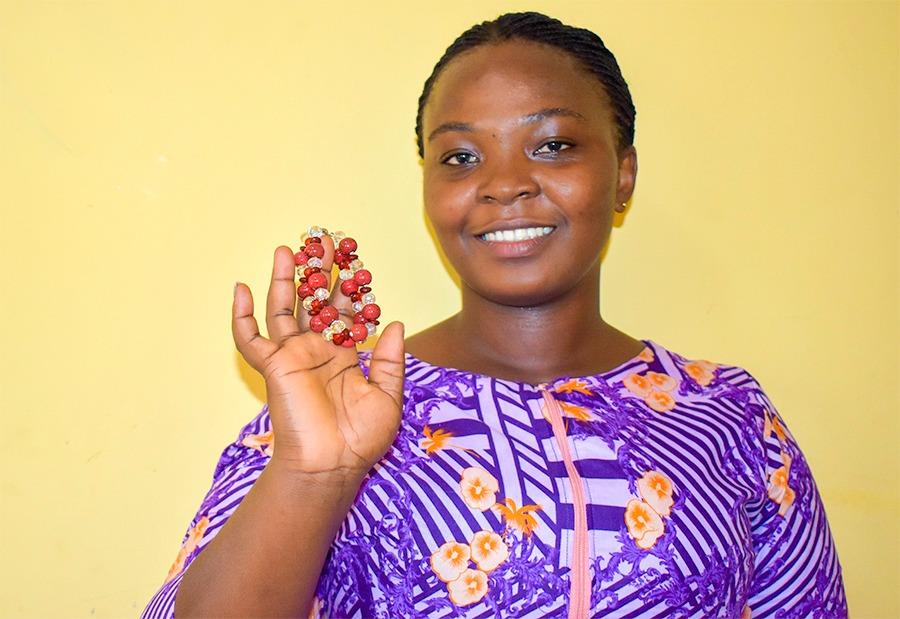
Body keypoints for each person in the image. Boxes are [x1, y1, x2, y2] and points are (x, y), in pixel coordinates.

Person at [142, 11, 847, 618]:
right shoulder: (337, 406)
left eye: (553, 145)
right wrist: (312, 472)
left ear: (623, 172)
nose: (505, 183)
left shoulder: (729, 417)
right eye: (460, 156)